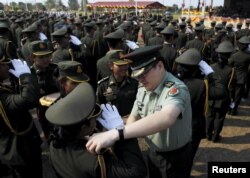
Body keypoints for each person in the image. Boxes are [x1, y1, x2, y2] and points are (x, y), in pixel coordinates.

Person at [87, 45, 193, 178]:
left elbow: (166, 117)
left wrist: (117, 133)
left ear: (160, 66)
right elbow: (134, 115)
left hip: (175, 156)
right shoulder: (144, 86)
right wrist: (120, 129)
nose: (140, 79)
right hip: (152, 152)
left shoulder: (175, 89)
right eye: (137, 76)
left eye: (143, 74)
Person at [45, 82, 147, 178]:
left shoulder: (55, 143)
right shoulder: (95, 158)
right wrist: (120, 133)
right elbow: (136, 171)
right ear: (83, 127)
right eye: (95, 117)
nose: (97, 120)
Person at [174, 48, 226, 173]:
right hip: (193, 127)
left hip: (174, 126)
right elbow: (221, 91)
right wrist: (210, 73)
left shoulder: (173, 80)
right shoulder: (201, 85)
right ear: (198, 67)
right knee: (188, 158)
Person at [0, 54, 42, 177]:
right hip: (18, 149)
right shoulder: (2, 95)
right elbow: (28, 100)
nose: (8, 67)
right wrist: (25, 76)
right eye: (3, 65)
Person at [206, 41, 235, 142]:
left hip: (211, 96)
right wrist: (232, 100)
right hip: (223, 98)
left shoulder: (211, 66)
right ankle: (215, 136)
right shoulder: (231, 70)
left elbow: (207, 82)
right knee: (219, 118)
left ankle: (208, 135)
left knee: (209, 116)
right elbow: (231, 87)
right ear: (229, 55)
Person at [29, 40, 59, 138]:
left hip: (60, 108)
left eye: (48, 56)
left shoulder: (56, 69)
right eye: (41, 57)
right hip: (43, 114)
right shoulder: (29, 74)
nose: (46, 59)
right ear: (33, 57)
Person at [96, 49, 138, 117]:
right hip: (111, 124)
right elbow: (98, 107)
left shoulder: (134, 83)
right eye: (120, 65)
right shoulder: (103, 86)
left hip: (130, 122)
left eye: (125, 64)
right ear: (111, 66)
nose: (124, 67)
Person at [229, 36, 250, 115]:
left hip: (233, 77)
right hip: (242, 77)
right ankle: (234, 109)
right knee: (238, 95)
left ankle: (231, 108)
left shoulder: (234, 55)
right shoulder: (248, 56)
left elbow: (229, 64)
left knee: (231, 94)